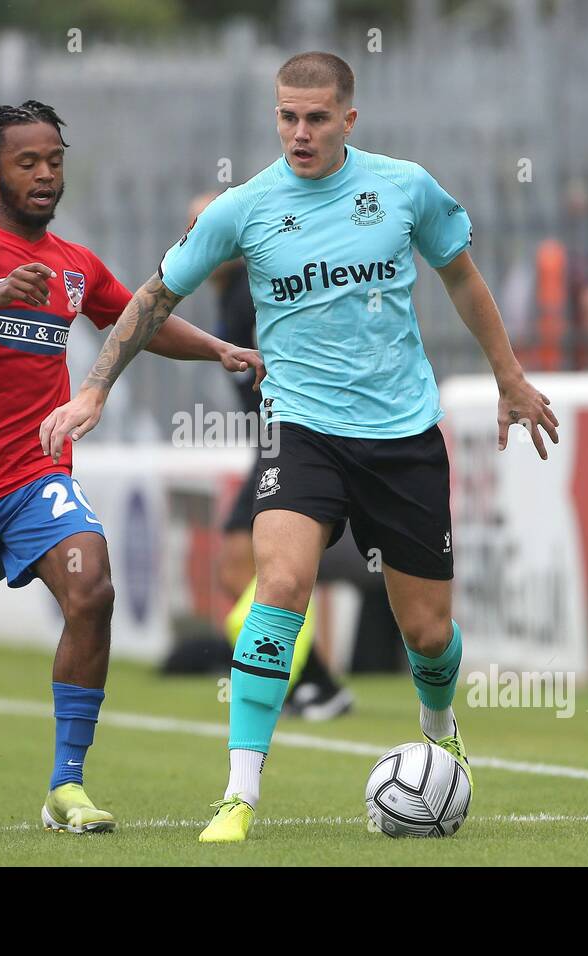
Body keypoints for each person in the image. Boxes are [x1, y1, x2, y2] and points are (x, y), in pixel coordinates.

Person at [41, 53, 558, 842]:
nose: (300, 132)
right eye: (287, 116)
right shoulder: (244, 209)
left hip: (403, 431)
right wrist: (96, 388)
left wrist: (510, 378)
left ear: (348, 119)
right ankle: (238, 794)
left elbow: (461, 278)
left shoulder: (404, 187)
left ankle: (440, 725)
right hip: (300, 426)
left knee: (427, 632)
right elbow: (153, 297)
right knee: (279, 583)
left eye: (316, 118)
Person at [0, 102, 262, 834]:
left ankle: (66, 784)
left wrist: (218, 348)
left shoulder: (74, 264)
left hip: (37, 472)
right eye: (28, 163)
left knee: (91, 588)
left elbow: (139, 317)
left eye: (55, 161)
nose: (45, 175)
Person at [183, 191, 354, 720]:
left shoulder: (254, 288)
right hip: (272, 441)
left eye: (214, 226)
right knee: (239, 569)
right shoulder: (229, 292)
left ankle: (313, 685)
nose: (206, 238)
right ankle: (314, 684)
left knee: (255, 568)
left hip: (295, 438)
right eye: (195, 227)